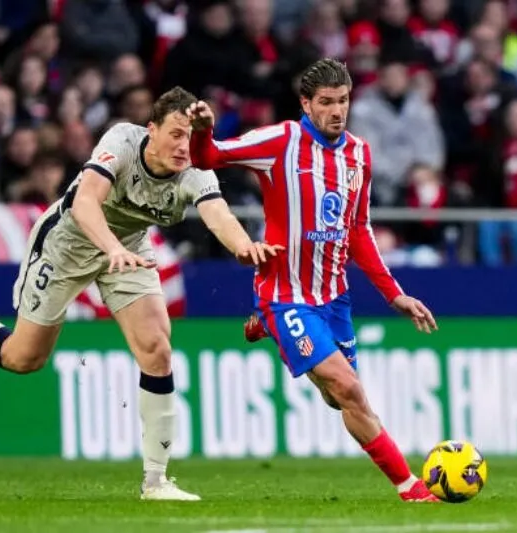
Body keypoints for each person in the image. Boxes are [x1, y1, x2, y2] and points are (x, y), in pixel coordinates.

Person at [0, 86, 281, 501]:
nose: (184, 146)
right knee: (24, 358)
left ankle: (156, 482)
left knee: (157, 349)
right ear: (152, 130)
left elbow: (217, 213)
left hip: (128, 247)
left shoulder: (196, 167)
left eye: (190, 136)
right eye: (176, 134)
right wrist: (110, 248)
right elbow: (84, 202)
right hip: (67, 243)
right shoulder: (122, 141)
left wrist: (244, 248)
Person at [186, 58, 441, 502]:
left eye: (343, 101)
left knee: (336, 399)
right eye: (326, 102)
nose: (336, 111)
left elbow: (357, 230)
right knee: (350, 389)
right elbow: (208, 157)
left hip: (334, 297)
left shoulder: (359, 154)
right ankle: (411, 487)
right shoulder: (280, 140)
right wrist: (204, 130)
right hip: (286, 295)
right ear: (306, 103)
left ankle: (265, 326)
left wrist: (394, 295)